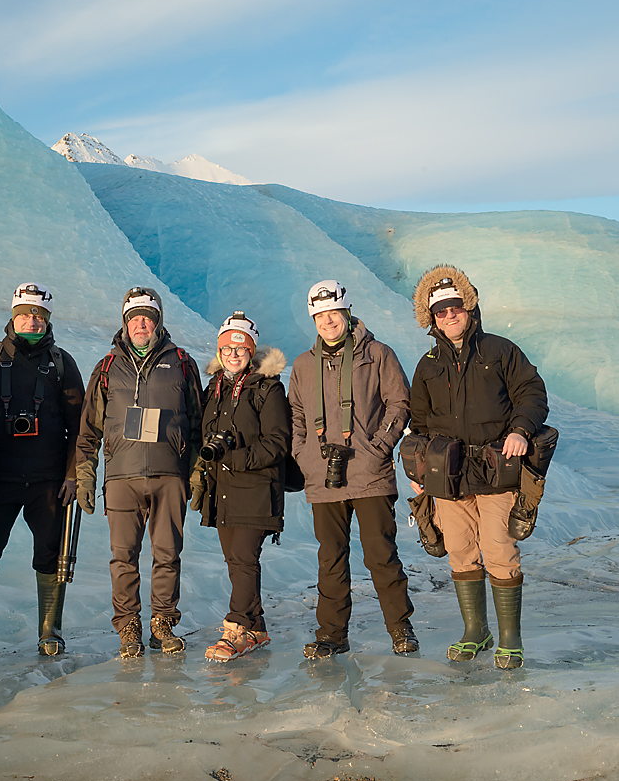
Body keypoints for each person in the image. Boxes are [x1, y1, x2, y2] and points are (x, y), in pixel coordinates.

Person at [408, 265, 548, 670]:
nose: (449, 316)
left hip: (496, 468)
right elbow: (419, 424)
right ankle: (476, 630)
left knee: (500, 549)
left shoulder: (500, 351)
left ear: (469, 309)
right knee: (459, 550)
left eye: (456, 308)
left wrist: (520, 430)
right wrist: (419, 473)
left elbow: (532, 394)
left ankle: (510, 638)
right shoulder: (428, 364)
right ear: (432, 319)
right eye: (441, 311)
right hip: (448, 474)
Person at [287, 279, 418, 658]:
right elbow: (296, 413)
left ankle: (400, 629)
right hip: (323, 475)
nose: (328, 322)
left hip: (369, 472)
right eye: (320, 316)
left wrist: (378, 447)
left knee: (381, 554)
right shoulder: (303, 364)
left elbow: (399, 403)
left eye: (333, 313)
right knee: (330, 558)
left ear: (347, 312)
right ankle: (332, 635)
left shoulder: (377, 354)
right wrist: (303, 454)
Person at [73, 287, 203, 658]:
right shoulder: (107, 367)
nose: (141, 324)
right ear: (125, 323)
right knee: (123, 557)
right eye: (134, 318)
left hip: (169, 474)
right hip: (121, 477)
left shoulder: (181, 362)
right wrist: (85, 474)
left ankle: (162, 623)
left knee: (167, 554)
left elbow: (198, 424)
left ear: (158, 321)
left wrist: (197, 473)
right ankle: (128, 627)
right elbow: (89, 428)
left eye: (147, 317)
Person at [0, 282, 85, 658]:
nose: (32, 321)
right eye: (25, 314)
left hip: (49, 482)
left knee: (51, 556)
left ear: (47, 320)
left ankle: (50, 632)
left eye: (39, 315)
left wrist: (73, 475)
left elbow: (80, 427)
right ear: (13, 317)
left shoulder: (62, 363)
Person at [191, 311, 289, 662]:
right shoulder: (214, 388)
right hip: (223, 490)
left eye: (241, 348)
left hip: (256, 487)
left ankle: (236, 626)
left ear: (251, 351)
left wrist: (237, 458)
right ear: (219, 351)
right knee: (235, 560)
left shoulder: (268, 388)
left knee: (245, 559)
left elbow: (278, 442)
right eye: (227, 349)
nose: (234, 354)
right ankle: (256, 627)